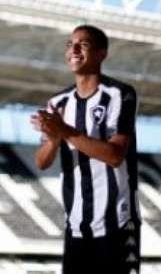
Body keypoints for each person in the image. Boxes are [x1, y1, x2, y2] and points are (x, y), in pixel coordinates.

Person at [31, 24, 140, 274]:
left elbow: (114, 156)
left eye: (84, 44)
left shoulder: (120, 95)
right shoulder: (57, 103)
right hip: (76, 226)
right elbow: (41, 162)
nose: (74, 49)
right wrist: (53, 138)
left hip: (118, 225)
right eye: (70, 44)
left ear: (102, 53)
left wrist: (64, 130)